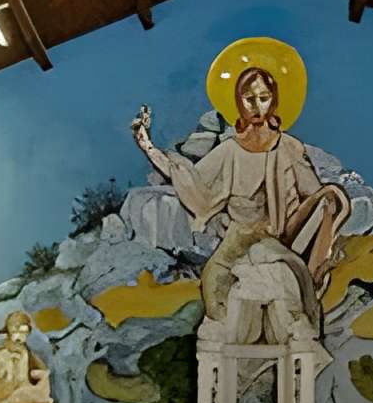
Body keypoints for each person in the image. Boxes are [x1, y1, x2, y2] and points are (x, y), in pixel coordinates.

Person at [132, 65, 349, 329]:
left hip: (284, 235)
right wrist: (148, 147)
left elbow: (313, 195)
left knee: (332, 197)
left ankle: (315, 274)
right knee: (214, 287)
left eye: (264, 97)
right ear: (238, 102)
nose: (257, 106)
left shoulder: (289, 148)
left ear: (274, 100)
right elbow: (188, 179)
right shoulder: (230, 151)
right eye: (249, 99)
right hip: (239, 239)